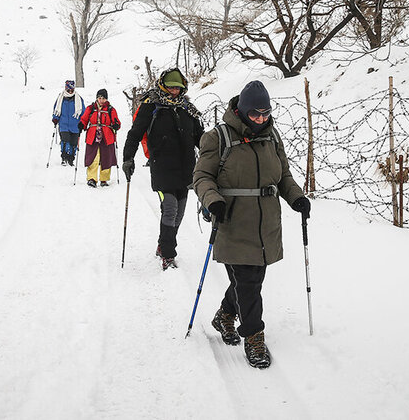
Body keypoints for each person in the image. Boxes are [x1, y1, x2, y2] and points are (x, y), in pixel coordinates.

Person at [193, 80, 311, 369]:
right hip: (233, 221)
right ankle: (254, 335)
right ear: (243, 111)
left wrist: (296, 197)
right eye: (255, 114)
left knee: (250, 279)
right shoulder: (217, 138)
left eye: (266, 113)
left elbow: (283, 176)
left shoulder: (272, 138)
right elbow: (201, 177)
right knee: (248, 283)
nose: (261, 119)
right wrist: (213, 200)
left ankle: (224, 315)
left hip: (266, 223)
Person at [122, 68, 204, 270]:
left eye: (178, 88)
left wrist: (213, 157)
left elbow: (200, 138)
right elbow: (134, 134)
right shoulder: (151, 106)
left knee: (180, 212)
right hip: (162, 167)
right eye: (170, 87)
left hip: (186, 168)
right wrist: (128, 159)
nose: (174, 91)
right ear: (162, 85)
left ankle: (163, 244)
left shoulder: (187, 108)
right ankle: (168, 254)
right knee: (170, 208)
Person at [79, 88, 121, 187]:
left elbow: (116, 121)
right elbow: (84, 119)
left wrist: (116, 125)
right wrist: (82, 124)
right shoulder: (91, 108)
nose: (101, 100)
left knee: (106, 158)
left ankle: (104, 179)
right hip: (93, 136)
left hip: (107, 136)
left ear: (106, 99)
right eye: (99, 98)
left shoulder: (111, 109)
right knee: (93, 158)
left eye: (103, 98)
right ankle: (92, 179)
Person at [52, 79, 85, 165]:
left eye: (72, 90)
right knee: (65, 141)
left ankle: (71, 159)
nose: (70, 92)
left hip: (75, 125)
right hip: (64, 124)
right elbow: (56, 109)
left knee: (74, 143)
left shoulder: (78, 99)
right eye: (68, 90)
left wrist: (83, 122)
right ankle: (64, 157)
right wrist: (55, 118)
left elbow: (83, 112)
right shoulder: (60, 98)